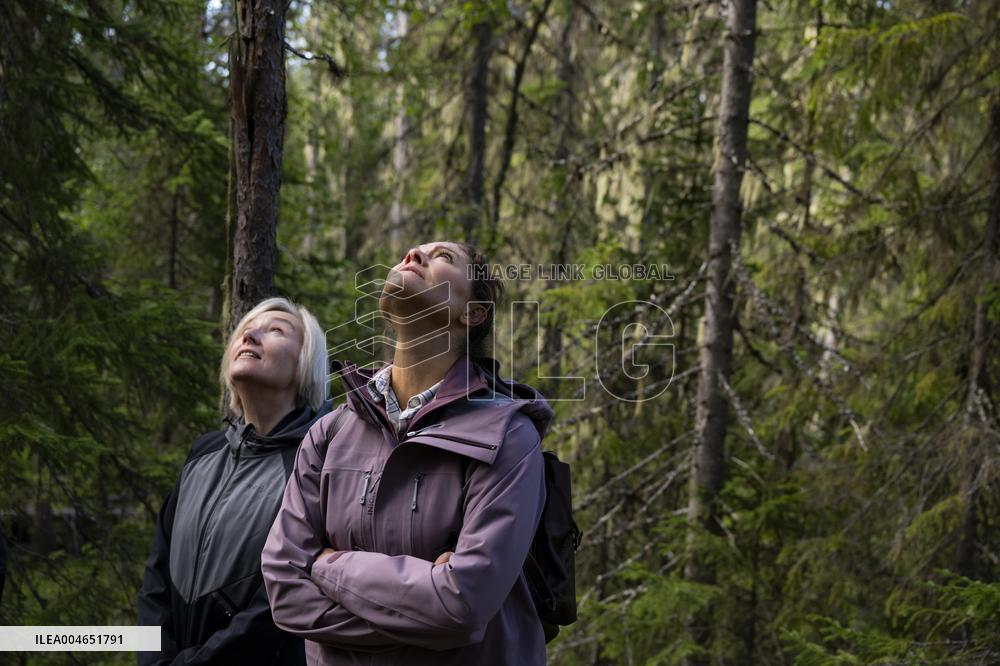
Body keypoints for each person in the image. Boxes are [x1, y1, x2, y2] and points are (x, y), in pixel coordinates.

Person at [261, 241, 552, 665]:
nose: (413, 254)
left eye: (444, 258)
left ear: (472, 313)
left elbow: (463, 603)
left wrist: (328, 568)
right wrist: (424, 616)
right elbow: (285, 590)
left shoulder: (507, 436)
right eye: (413, 252)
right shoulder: (331, 432)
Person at [138, 297, 331, 665]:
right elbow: (156, 579)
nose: (251, 335)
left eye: (276, 331)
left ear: (305, 366)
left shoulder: (316, 464)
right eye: (245, 331)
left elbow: (282, 601)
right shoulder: (202, 454)